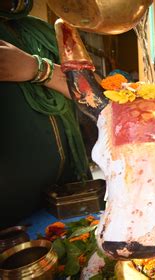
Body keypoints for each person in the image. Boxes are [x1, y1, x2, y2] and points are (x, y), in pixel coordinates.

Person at [0, 1, 90, 227]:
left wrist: (38, 69)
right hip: (9, 214)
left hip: (66, 190)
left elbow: (93, 93)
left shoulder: (44, 32)